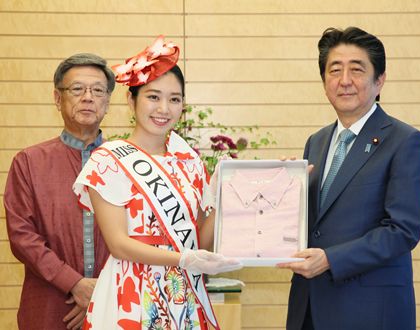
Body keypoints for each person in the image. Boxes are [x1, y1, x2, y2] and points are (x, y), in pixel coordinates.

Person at [72, 35, 242, 330]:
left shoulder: (190, 162)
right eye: (153, 96)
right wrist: (184, 259)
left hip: (183, 295)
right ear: (131, 99)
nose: (164, 108)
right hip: (132, 291)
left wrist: (222, 193)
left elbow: (197, 242)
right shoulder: (109, 160)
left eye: (174, 99)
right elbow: (119, 244)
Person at [278, 27, 420, 329]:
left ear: (380, 80)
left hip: (369, 312)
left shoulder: (406, 141)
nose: (344, 80)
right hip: (309, 308)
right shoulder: (317, 141)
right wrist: (282, 191)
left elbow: (402, 230)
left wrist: (331, 259)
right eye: (335, 70)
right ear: (324, 82)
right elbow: (316, 223)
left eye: (357, 69)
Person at [4, 53, 115, 329]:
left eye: (98, 90)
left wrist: (99, 293)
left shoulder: (126, 163)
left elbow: (139, 235)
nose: (88, 97)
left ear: (108, 102)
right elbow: (22, 237)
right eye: (77, 89)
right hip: (49, 308)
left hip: (115, 304)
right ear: (57, 98)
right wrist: (74, 284)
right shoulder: (28, 162)